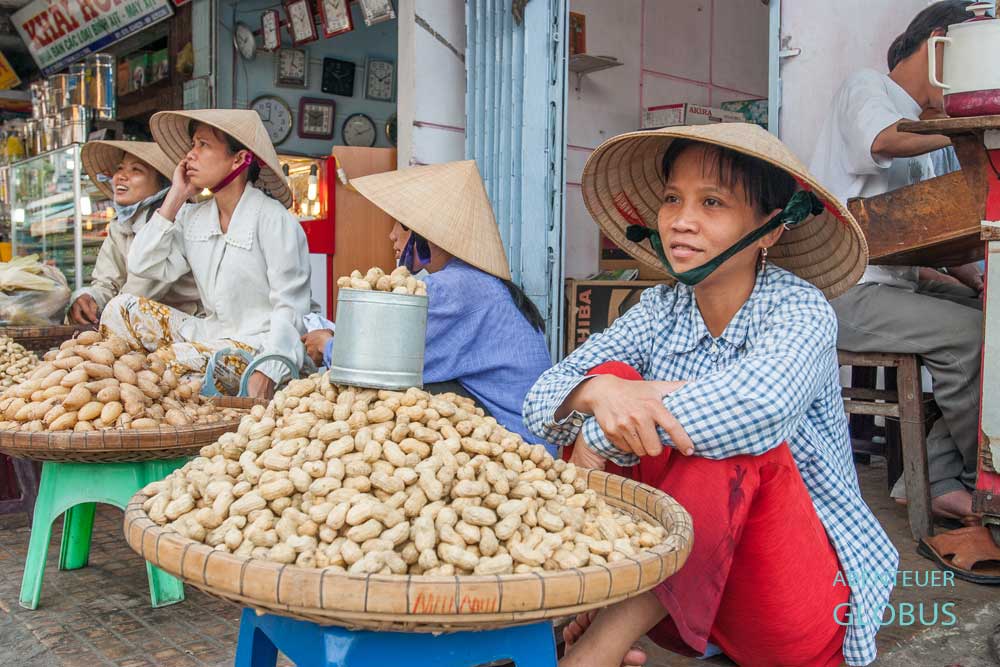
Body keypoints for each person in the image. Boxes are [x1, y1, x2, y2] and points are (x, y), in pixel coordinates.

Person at [524, 124, 897, 667]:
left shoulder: (800, 311)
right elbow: (541, 401)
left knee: (736, 443)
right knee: (604, 376)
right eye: (673, 198)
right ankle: (589, 598)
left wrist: (605, 427)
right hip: (684, 597)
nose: (681, 220)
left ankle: (597, 648)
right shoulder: (659, 308)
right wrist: (604, 388)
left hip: (793, 606)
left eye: (713, 203)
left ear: (770, 229)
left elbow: (758, 408)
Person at [809, 0, 983, 524]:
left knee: (991, 327)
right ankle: (979, 485)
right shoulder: (870, 89)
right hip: (844, 289)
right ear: (937, 44)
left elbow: (922, 235)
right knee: (970, 337)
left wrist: (977, 285)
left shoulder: (928, 130)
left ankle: (928, 477)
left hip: (892, 286)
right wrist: (973, 131)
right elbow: (882, 140)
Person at [301, 161, 552, 445]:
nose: (392, 234)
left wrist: (326, 345)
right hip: (517, 433)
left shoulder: (453, 288)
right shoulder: (474, 282)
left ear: (428, 234)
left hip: (516, 446)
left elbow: (381, 365)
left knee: (388, 397)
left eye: (401, 225)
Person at [100, 110, 311, 399]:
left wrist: (268, 371)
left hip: (256, 348)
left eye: (203, 145)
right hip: (208, 334)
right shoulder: (193, 216)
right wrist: (176, 195)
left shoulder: (274, 219)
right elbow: (142, 264)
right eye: (192, 145)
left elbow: (291, 310)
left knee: (165, 365)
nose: (190, 156)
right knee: (119, 308)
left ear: (238, 159)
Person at [69, 141, 201, 324]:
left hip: (184, 327)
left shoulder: (175, 222)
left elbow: (141, 289)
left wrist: (108, 315)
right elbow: (107, 282)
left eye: (136, 170)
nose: (121, 176)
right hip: (139, 323)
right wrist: (89, 298)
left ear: (163, 184)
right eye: (120, 168)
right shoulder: (120, 226)